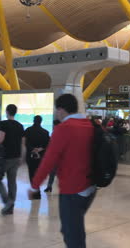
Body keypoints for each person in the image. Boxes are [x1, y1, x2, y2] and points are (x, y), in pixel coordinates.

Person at [29, 94, 96, 248]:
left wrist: (35, 184)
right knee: (73, 228)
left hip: (73, 188)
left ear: (60, 110)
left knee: (72, 235)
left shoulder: (63, 129)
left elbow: (48, 161)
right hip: (90, 187)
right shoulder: (89, 125)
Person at [0, 104, 24, 215]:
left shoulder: (3, 124)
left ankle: (7, 201)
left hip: (5, 157)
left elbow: (0, 139)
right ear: (15, 112)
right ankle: (10, 207)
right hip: (16, 157)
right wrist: (22, 157)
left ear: (7, 112)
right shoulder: (20, 126)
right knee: (12, 181)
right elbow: (22, 143)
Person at [22, 116, 50, 199]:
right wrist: (39, 149)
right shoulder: (45, 132)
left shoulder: (28, 130)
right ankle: (37, 192)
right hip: (40, 156)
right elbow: (47, 144)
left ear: (33, 121)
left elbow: (25, 143)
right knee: (38, 173)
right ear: (41, 122)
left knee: (31, 173)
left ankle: (35, 191)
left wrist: (32, 149)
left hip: (30, 155)